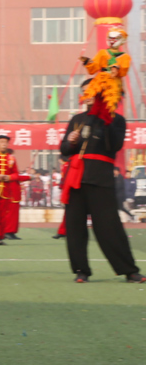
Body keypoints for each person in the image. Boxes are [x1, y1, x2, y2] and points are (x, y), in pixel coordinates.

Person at [60, 82, 142, 283]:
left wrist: (106, 120)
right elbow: (64, 150)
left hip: (101, 179)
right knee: (75, 227)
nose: (87, 96)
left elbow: (116, 144)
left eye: (92, 93)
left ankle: (129, 270)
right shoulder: (77, 119)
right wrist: (70, 140)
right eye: (85, 93)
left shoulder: (116, 120)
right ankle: (81, 270)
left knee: (109, 227)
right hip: (76, 180)